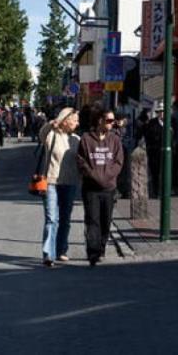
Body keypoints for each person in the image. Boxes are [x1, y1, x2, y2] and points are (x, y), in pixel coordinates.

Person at [76, 108, 124, 266]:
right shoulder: (86, 139)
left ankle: (102, 247)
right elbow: (81, 161)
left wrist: (108, 175)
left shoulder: (115, 140)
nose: (112, 123)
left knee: (106, 221)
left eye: (113, 121)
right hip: (91, 188)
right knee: (92, 221)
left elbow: (118, 162)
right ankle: (93, 253)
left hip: (109, 188)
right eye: (109, 121)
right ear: (99, 121)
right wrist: (93, 174)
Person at [39, 107, 80, 267]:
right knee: (51, 218)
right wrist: (53, 122)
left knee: (65, 218)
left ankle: (61, 249)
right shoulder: (51, 135)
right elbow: (42, 133)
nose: (77, 123)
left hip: (70, 182)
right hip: (51, 181)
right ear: (66, 120)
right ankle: (49, 254)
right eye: (75, 120)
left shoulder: (76, 139)